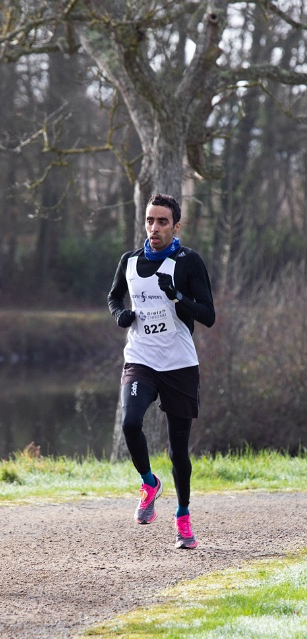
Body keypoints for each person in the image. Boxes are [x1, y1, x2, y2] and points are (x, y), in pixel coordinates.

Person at [107, 193, 215, 549]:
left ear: (176, 226)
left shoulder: (189, 262)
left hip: (179, 365)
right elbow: (114, 297)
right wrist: (120, 314)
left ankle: (183, 516)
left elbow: (208, 315)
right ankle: (149, 482)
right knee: (130, 423)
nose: (154, 228)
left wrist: (177, 297)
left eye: (162, 222)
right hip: (141, 359)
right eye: (150, 221)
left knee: (178, 451)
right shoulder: (129, 261)